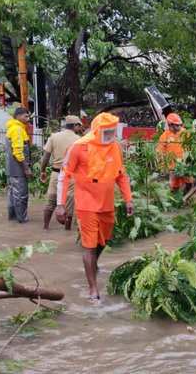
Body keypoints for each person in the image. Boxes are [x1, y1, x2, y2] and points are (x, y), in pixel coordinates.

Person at [56, 113, 133, 302]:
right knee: (89, 246)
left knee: (103, 241)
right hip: (86, 204)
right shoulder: (79, 147)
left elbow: (121, 175)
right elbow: (64, 176)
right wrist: (60, 204)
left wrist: (128, 199)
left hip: (107, 203)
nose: (110, 135)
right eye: (106, 132)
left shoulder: (114, 147)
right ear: (97, 129)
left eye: (112, 132)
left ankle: (93, 265)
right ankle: (93, 289)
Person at [40, 115, 83, 230]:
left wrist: (43, 171)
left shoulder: (54, 137)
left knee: (50, 202)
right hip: (71, 176)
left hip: (55, 173)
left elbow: (45, 157)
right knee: (69, 205)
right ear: (75, 125)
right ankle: (67, 230)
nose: (80, 129)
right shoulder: (79, 140)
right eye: (79, 126)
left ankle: (45, 228)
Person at [5, 107, 32, 223]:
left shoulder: (14, 128)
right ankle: (22, 219)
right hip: (18, 169)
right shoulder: (17, 129)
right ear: (18, 116)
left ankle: (13, 218)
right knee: (21, 194)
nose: (28, 118)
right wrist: (26, 168)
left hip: (12, 169)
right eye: (26, 116)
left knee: (13, 194)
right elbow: (17, 152)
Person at [156, 112, 193, 193]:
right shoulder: (165, 135)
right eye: (175, 125)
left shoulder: (186, 133)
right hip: (172, 166)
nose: (178, 127)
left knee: (189, 183)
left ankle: (185, 198)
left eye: (179, 125)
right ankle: (175, 200)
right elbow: (160, 150)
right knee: (174, 185)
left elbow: (192, 148)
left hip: (185, 164)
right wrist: (162, 163)